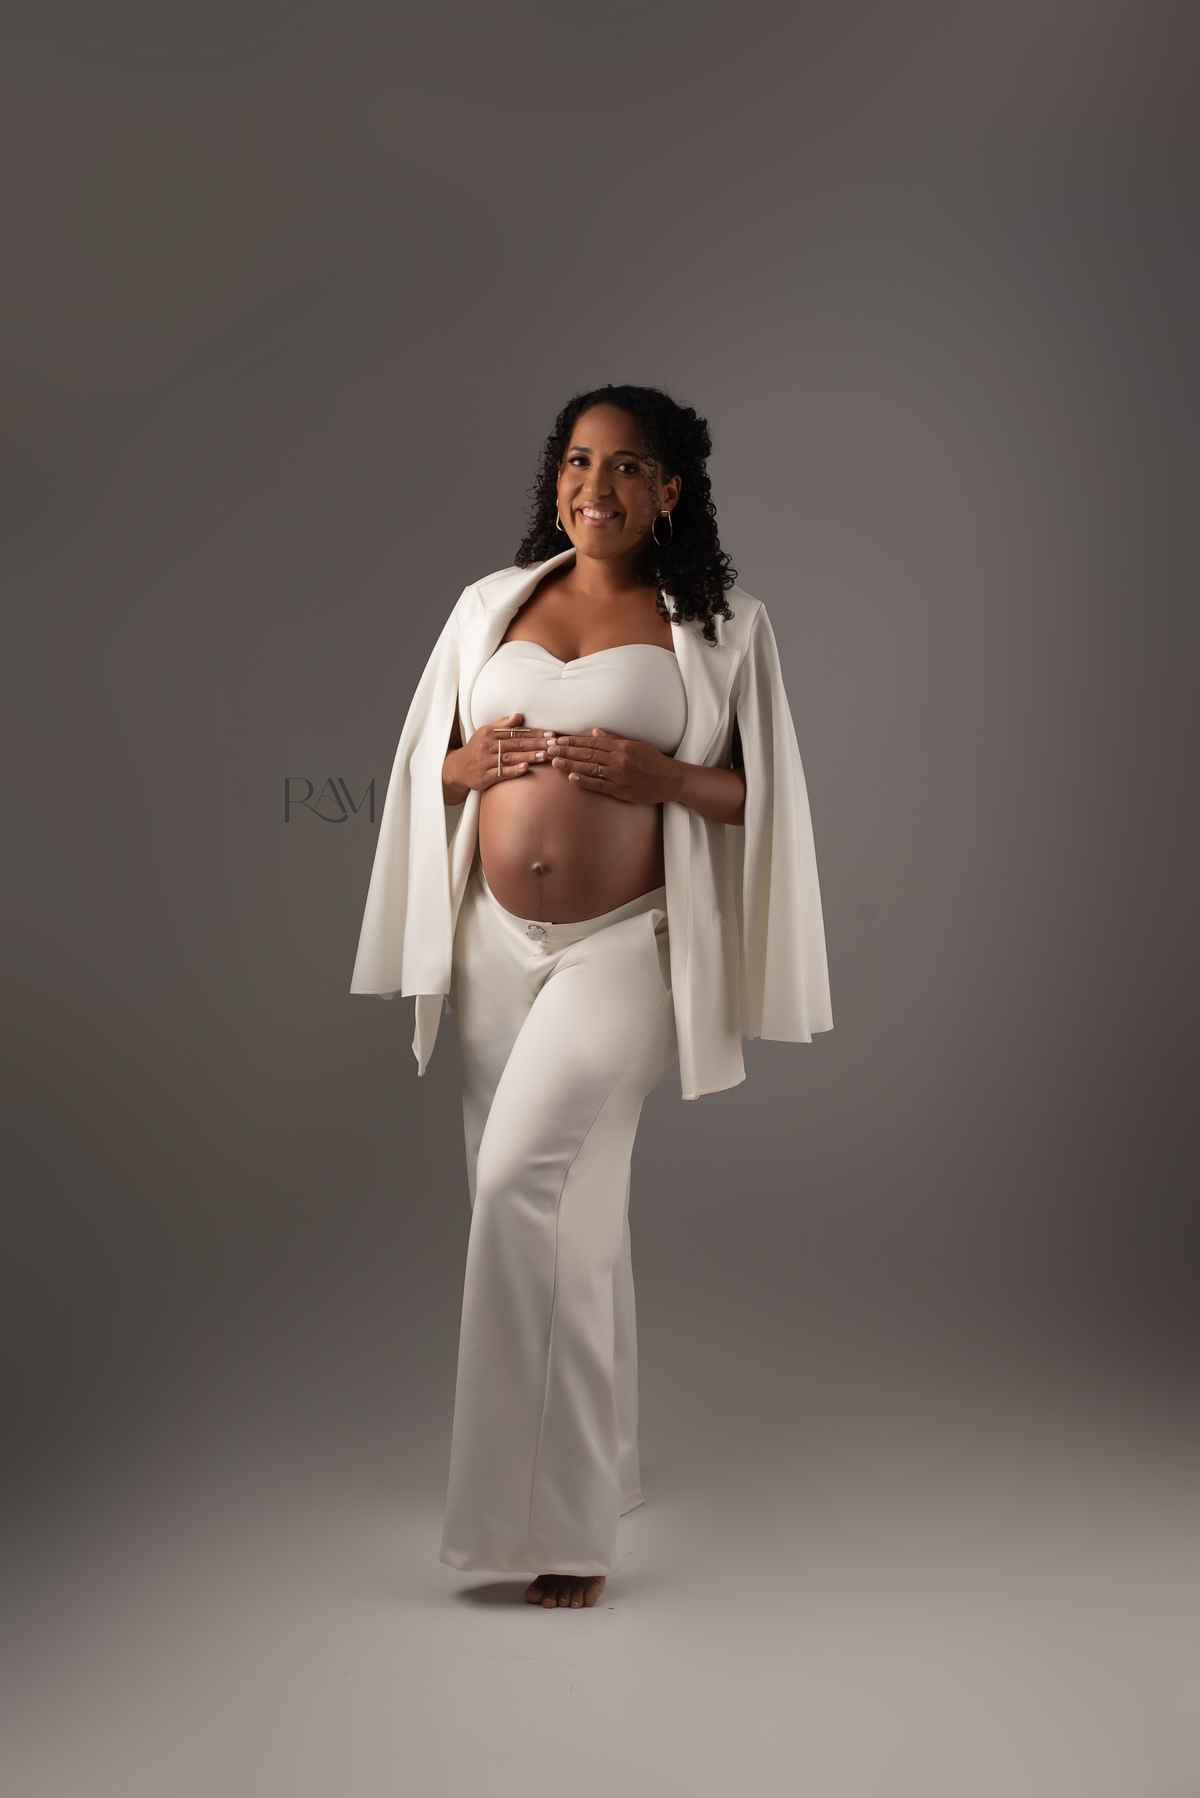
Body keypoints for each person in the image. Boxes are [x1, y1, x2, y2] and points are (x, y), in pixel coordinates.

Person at [351, 385, 832, 1608]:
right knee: (573, 1207)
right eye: (577, 461)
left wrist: (663, 775)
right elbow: (421, 769)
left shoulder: (720, 627)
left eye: (625, 467)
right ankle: (604, 1461)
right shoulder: (489, 606)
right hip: (490, 944)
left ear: (670, 489)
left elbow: (765, 793)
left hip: (626, 946)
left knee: (521, 1185)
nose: (595, 488)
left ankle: (550, 1527)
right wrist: (466, 765)